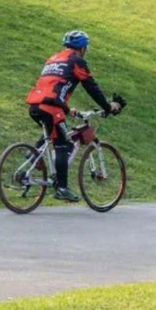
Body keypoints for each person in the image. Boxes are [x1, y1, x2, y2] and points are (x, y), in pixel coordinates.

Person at [25, 30, 123, 202]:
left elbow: (53, 85)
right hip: (51, 107)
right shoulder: (77, 60)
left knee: (53, 132)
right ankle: (61, 188)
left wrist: (67, 109)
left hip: (36, 104)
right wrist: (108, 106)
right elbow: (91, 86)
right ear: (83, 48)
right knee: (63, 144)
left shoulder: (54, 59)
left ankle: (34, 156)